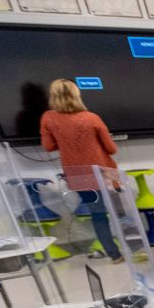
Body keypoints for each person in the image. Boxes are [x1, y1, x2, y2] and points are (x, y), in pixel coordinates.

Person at [39, 78, 123, 263]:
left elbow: (48, 146)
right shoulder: (91, 117)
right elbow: (111, 149)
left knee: (98, 215)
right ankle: (131, 249)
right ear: (77, 95)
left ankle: (114, 254)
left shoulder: (48, 118)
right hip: (104, 172)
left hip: (77, 175)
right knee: (121, 211)